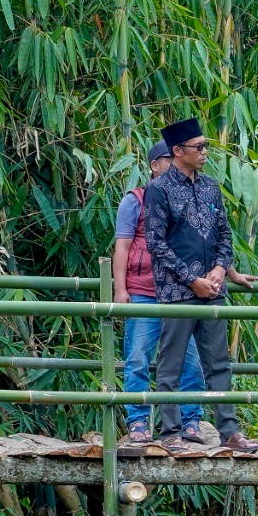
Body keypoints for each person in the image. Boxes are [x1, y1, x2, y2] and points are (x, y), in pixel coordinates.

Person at [141, 116, 258, 450]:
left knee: (219, 363)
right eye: (199, 146)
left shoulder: (209, 186)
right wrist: (191, 280)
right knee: (170, 365)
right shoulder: (159, 189)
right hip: (179, 292)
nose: (205, 151)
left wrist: (221, 268)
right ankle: (170, 433)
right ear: (178, 151)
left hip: (213, 290)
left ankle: (230, 432)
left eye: (206, 145)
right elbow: (156, 243)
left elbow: (224, 231)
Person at [115, 140, 205, 442]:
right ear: (155, 165)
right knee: (138, 357)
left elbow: (208, 242)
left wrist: (227, 271)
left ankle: (191, 421)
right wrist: (120, 289)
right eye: (170, 158)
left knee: (191, 360)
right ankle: (138, 422)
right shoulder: (136, 200)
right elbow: (123, 246)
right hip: (144, 291)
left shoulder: (191, 197)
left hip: (182, 293)